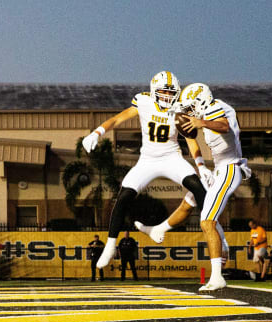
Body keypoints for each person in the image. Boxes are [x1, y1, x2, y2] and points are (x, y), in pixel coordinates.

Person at [81, 71, 209, 269]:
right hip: (147, 160)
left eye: (171, 93)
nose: (167, 97)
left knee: (199, 188)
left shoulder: (180, 108)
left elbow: (191, 140)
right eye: (163, 92)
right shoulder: (143, 101)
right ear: (154, 91)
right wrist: (98, 132)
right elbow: (117, 119)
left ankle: (216, 235)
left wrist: (201, 165)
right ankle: (110, 246)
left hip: (172, 158)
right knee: (123, 197)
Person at [143, 83, 251, 292]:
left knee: (207, 221)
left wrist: (200, 121)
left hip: (230, 167)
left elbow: (224, 126)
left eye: (191, 108)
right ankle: (160, 229)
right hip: (218, 168)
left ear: (201, 102)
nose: (189, 112)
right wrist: (201, 166)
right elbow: (192, 140)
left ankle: (218, 275)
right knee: (189, 202)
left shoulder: (217, 107)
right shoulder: (203, 115)